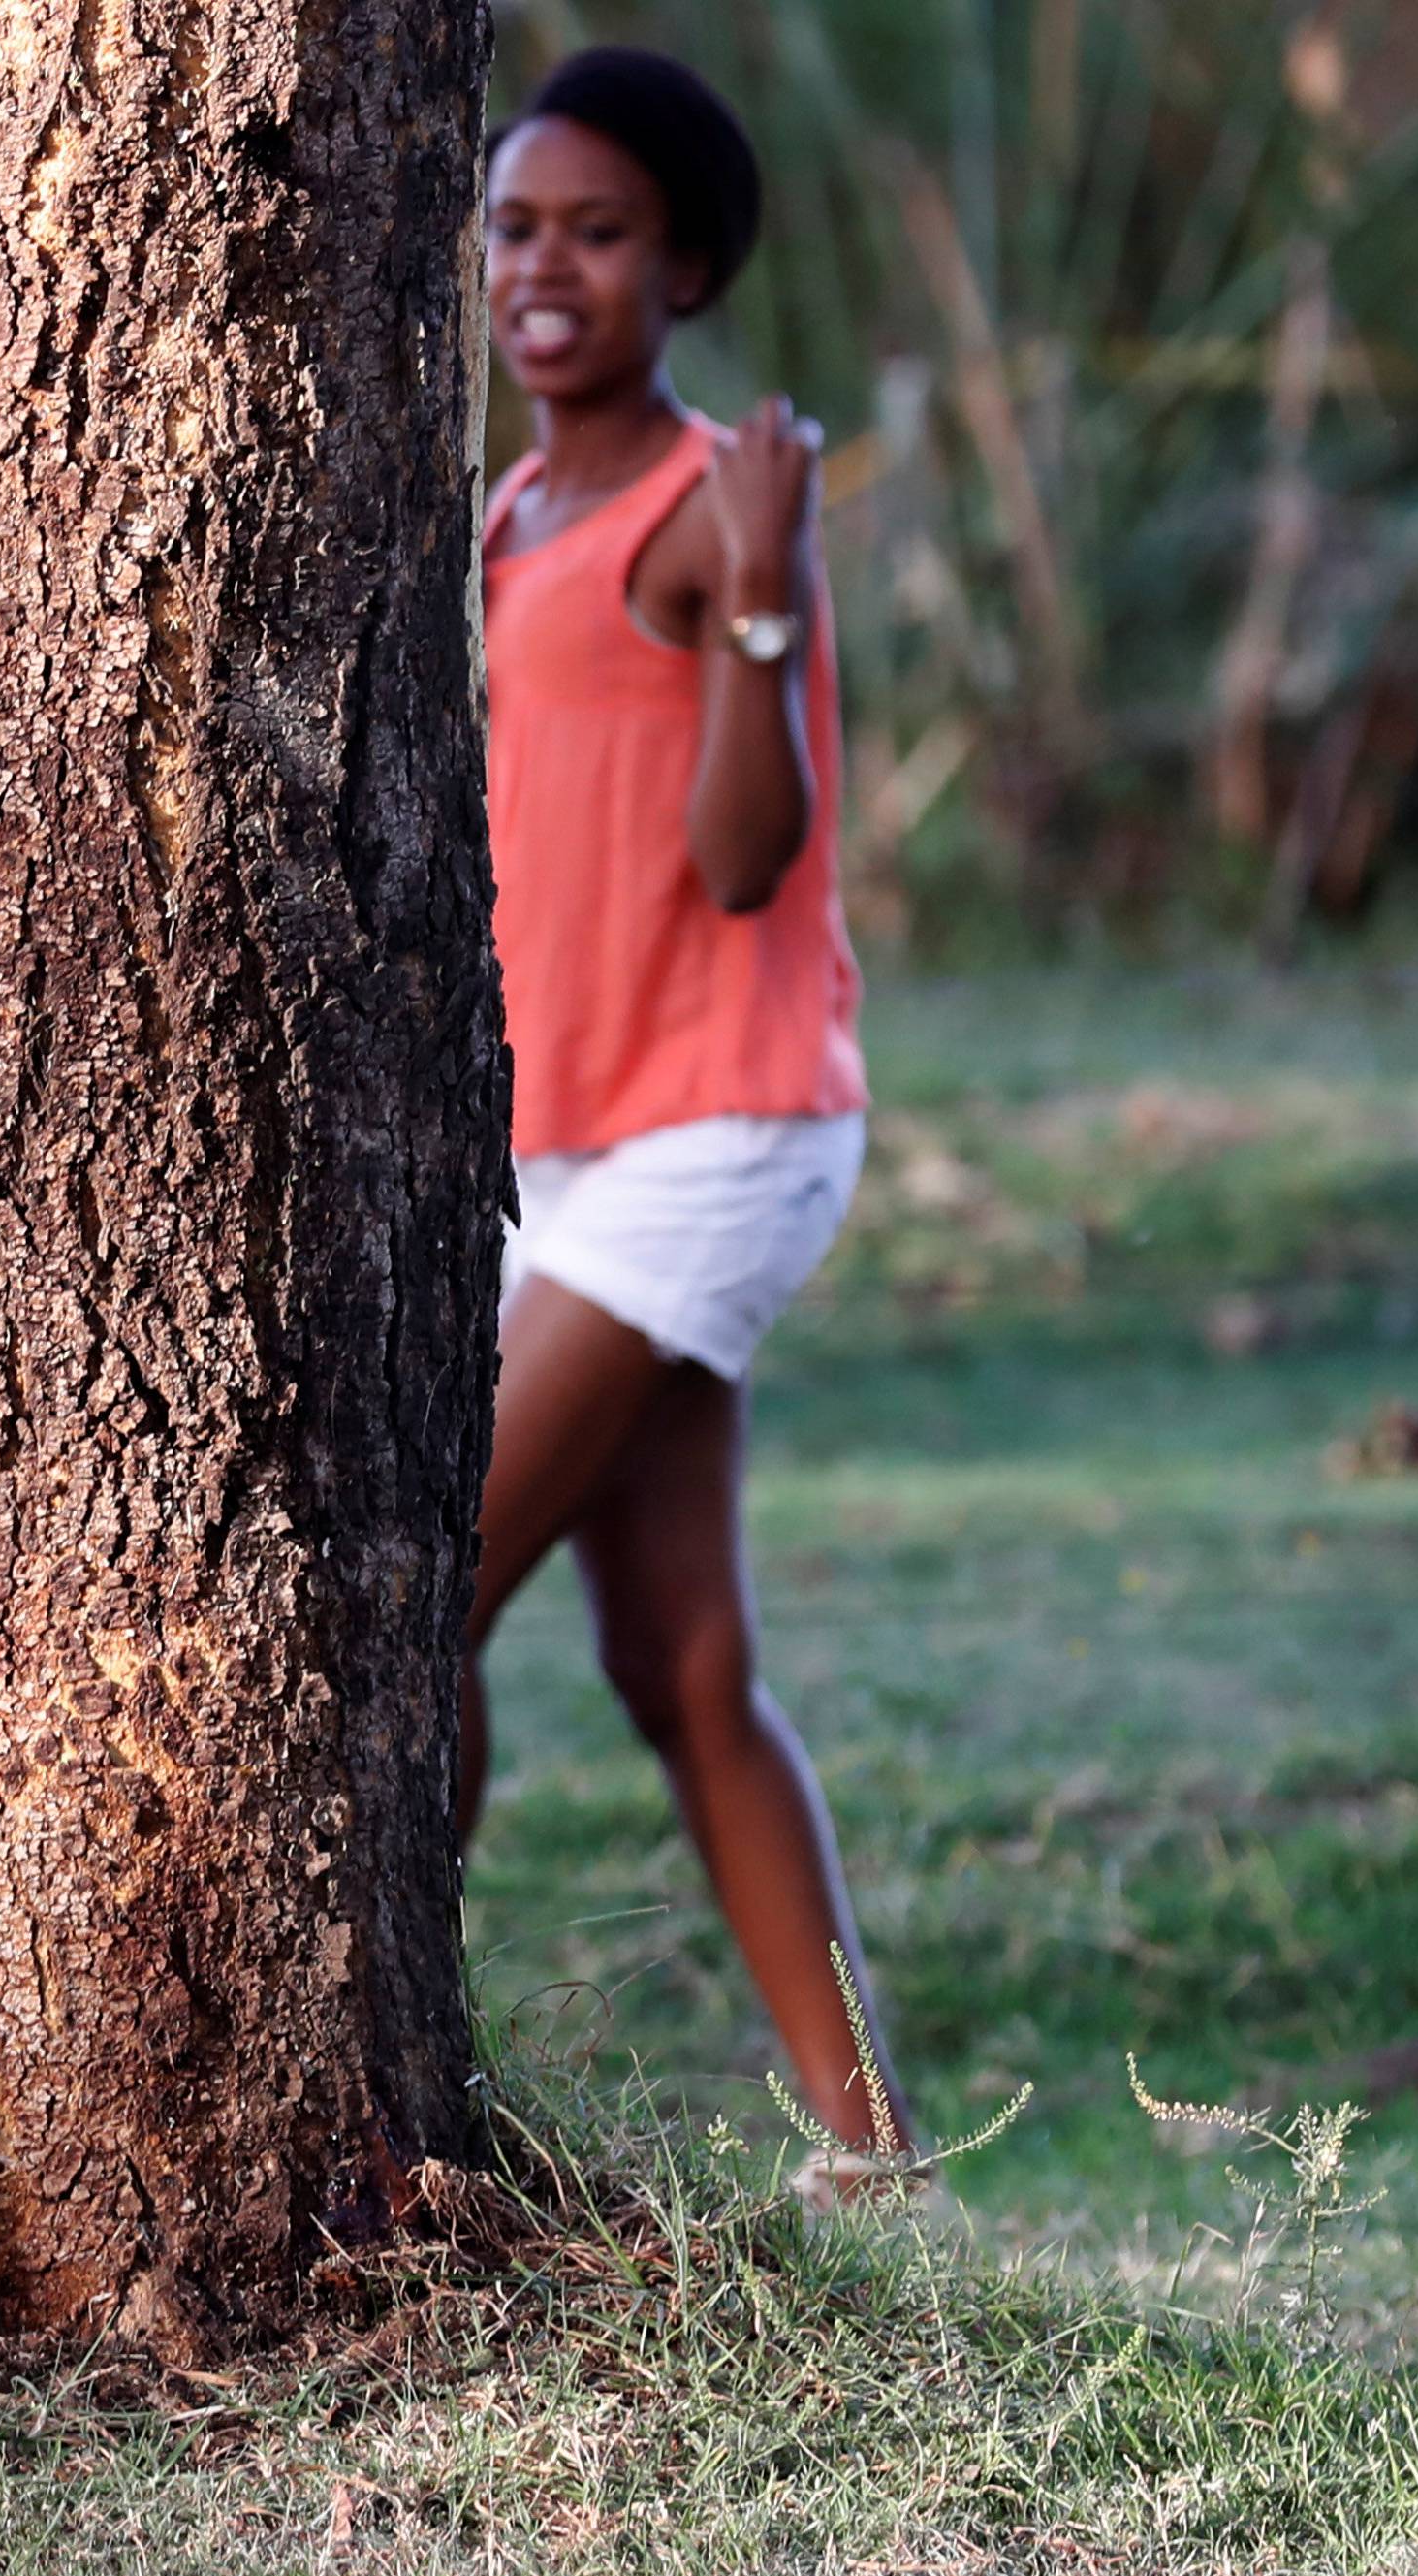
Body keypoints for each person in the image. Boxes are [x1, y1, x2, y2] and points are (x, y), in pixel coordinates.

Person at [465, 46, 915, 2181]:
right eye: (516, 227)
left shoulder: (706, 509)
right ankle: (876, 2152)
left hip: (711, 1136)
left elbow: (749, 855)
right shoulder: (513, 508)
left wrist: (759, 588)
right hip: (561, 1143)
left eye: (602, 230)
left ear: (691, 265)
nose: (546, 268)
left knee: (406, 1600)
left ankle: (392, 2085)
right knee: (680, 1659)